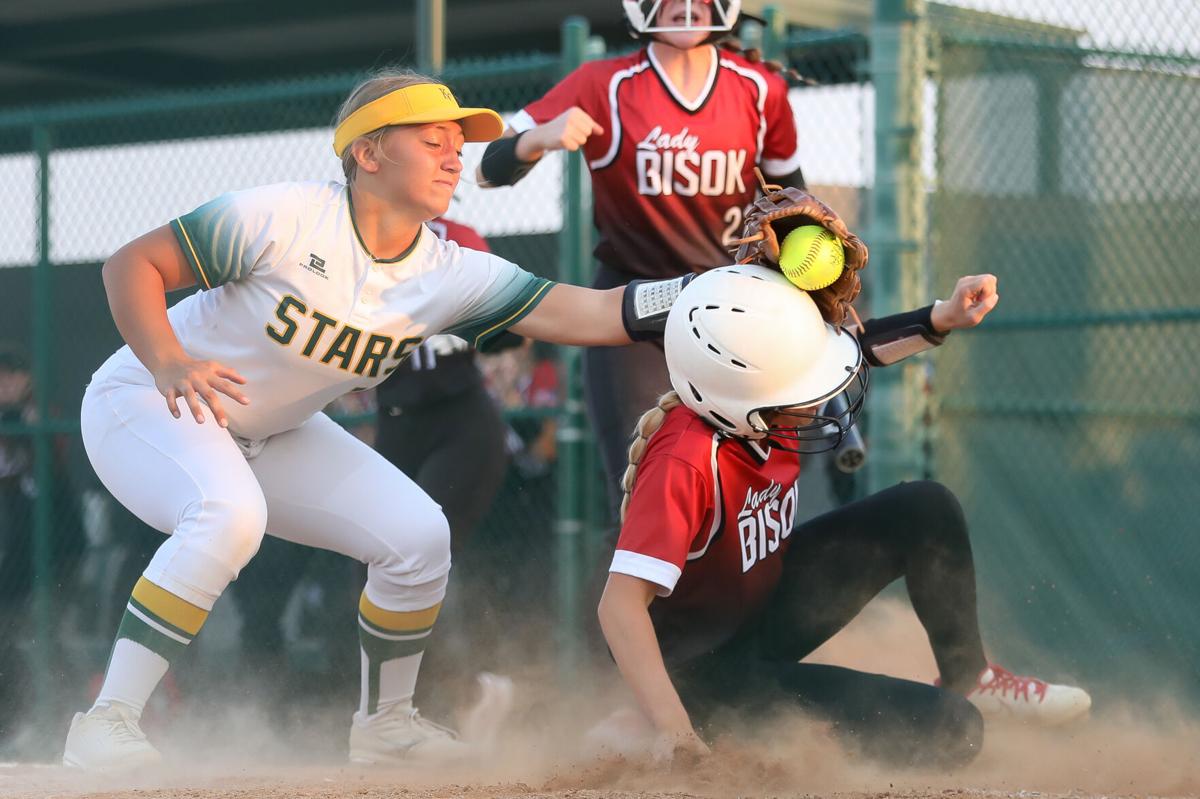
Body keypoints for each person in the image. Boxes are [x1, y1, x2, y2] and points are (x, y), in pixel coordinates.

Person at [62, 67, 692, 773]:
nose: (457, 156)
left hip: (267, 431)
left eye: (460, 143)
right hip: (147, 401)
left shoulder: (447, 269)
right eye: (433, 141)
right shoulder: (285, 215)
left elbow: (596, 311)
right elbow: (131, 264)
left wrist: (709, 286)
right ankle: (106, 720)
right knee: (227, 513)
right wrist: (169, 359)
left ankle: (386, 725)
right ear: (368, 153)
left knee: (417, 536)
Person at [593, 265, 1092, 769]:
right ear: (747, 399)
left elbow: (855, 347)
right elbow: (619, 609)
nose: (819, 391)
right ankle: (678, 727)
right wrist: (675, 730)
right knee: (953, 729)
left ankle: (971, 675)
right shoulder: (686, 460)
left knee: (924, 508)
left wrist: (942, 317)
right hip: (705, 672)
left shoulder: (749, 408)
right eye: (800, 383)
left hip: (758, 611)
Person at [478, 0, 808, 515]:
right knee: (644, 499)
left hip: (733, 310)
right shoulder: (603, 84)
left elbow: (795, 208)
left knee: (742, 499)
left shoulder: (760, 88)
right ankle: (634, 594)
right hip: (633, 312)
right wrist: (536, 139)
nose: (686, 6)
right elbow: (485, 166)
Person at [372, 217, 513, 715]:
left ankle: (457, 698)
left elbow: (507, 329)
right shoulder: (347, 238)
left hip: (462, 419)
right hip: (394, 424)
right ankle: (407, 705)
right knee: (371, 567)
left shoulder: (460, 237)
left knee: (421, 555)